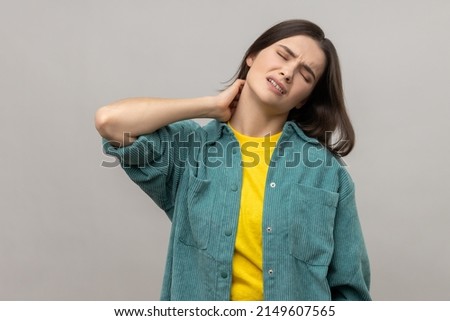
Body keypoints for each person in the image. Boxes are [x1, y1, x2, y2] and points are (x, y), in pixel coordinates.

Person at [95, 19, 371, 301]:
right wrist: (210, 106)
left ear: (304, 99)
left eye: (306, 75)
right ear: (252, 55)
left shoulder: (325, 172)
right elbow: (110, 122)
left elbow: (351, 291)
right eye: (283, 55)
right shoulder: (191, 150)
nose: (288, 72)